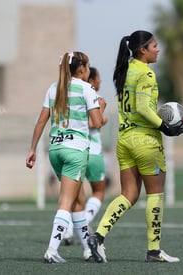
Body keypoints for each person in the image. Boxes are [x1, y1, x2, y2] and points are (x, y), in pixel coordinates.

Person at [87, 30, 183, 263]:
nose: (158, 49)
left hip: (125, 140)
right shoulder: (146, 74)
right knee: (155, 194)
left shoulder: (124, 70)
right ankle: (154, 251)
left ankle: (98, 237)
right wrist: (165, 126)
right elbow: (142, 107)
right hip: (145, 142)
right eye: (154, 46)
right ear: (142, 50)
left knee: (128, 195)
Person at [25, 51, 105, 264]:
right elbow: (97, 123)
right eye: (87, 66)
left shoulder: (53, 88)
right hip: (75, 151)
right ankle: (52, 250)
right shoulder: (87, 88)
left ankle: (89, 250)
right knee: (66, 202)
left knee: (79, 202)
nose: (88, 70)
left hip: (56, 150)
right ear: (81, 69)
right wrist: (101, 107)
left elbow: (41, 121)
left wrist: (32, 149)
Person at [63, 67, 109, 252]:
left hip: (74, 150)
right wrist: (103, 115)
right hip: (92, 151)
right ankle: (83, 222)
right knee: (98, 191)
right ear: (93, 80)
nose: (100, 82)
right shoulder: (92, 95)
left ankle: (67, 229)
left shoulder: (70, 96)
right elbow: (92, 123)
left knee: (72, 197)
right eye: (98, 79)